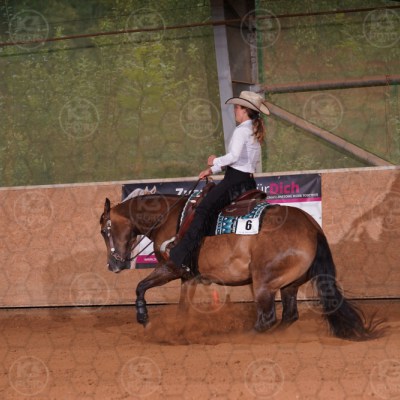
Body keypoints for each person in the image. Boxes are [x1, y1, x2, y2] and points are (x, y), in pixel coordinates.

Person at [168, 91, 270, 275]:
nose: (234, 111)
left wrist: (214, 161)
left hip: (234, 182)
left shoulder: (241, 131)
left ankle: (181, 256)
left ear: (244, 110)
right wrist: (212, 170)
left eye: (237, 107)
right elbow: (241, 161)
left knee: (203, 209)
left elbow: (234, 157)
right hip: (248, 182)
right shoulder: (253, 130)